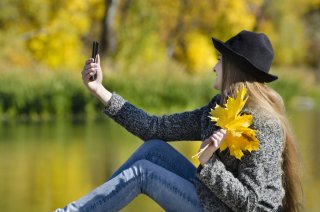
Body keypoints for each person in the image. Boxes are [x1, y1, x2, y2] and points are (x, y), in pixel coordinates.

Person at [56, 30, 300, 212]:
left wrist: (209, 164)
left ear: (234, 69)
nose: (214, 67)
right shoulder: (218, 108)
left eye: (219, 60)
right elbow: (153, 127)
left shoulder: (264, 125)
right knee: (153, 149)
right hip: (213, 199)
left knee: (144, 173)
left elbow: (250, 204)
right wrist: (99, 90)